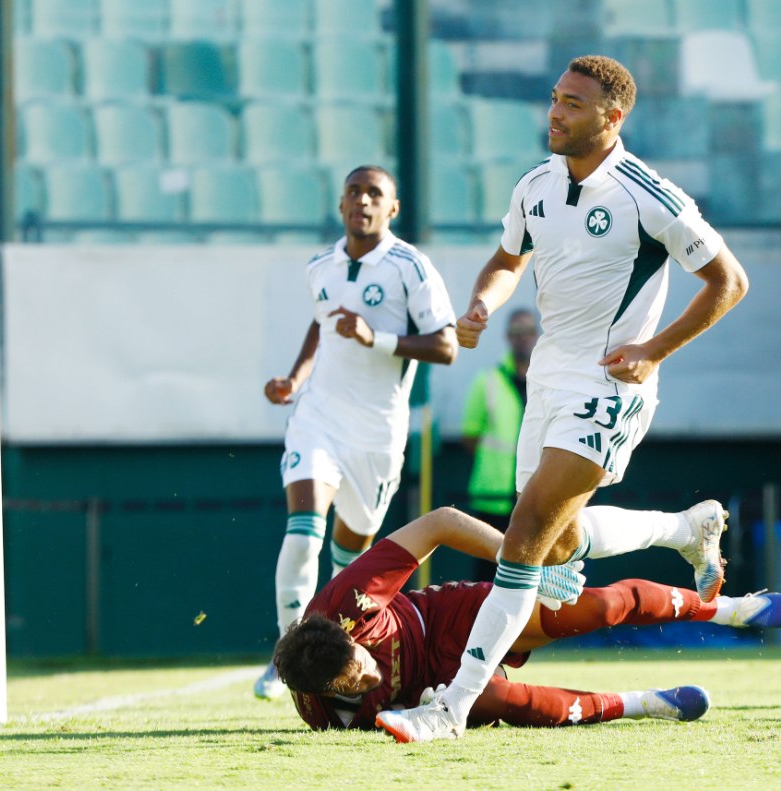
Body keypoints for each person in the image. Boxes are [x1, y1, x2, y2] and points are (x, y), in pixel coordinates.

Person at [375, 55, 750, 742]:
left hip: (610, 383)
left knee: (522, 538)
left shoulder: (649, 196)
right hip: (546, 379)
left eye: (572, 103)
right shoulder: (535, 186)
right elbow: (507, 257)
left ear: (613, 117)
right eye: (554, 98)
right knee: (558, 547)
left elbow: (729, 282)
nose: (555, 111)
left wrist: (653, 349)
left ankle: (451, 707)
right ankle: (684, 528)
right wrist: (484, 302)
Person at [274, 506, 781, 734]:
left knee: (598, 608)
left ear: (348, 633)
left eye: (362, 661)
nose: (369, 675)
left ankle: (729, 609)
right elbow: (380, 721)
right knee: (499, 701)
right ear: (323, 693)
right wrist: (419, 705)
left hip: (442, 622)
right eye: (355, 683)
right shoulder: (324, 716)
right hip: (431, 689)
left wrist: (518, 568)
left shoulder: (347, 599)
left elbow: (441, 522)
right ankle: (642, 706)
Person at [255, 166, 458, 700]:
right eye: (353, 191)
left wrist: (377, 338)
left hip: (377, 433)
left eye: (374, 194)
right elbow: (321, 323)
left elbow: (446, 346)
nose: (361, 201)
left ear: (392, 209)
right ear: (341, 203)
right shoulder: (319, 266)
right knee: (303, 530)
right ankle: (287, 655)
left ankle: (344, 655)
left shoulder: (410, 267)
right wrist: (295, 379)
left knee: (350, 562)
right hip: (318, 418)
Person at [460, 308, 537, 579]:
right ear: (507, 337)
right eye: (517, 333)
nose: (522, 338)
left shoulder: (548, 383)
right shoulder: (487, 381)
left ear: (537, 335)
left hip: (535, 497)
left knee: (529, 575)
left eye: (528, 331)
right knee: (486, 578)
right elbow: (470, 436)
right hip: (492, 499)